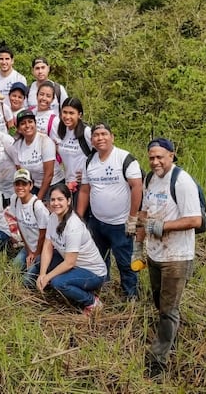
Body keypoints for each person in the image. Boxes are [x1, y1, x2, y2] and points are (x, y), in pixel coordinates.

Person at [137, 138, 203, 378]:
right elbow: (145, 213)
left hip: (177, 255)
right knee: (158, 300)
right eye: (151, 157)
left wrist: (163, 226)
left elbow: (195, 220)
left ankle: (158, 360)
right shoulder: (150, 179)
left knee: (168, 308)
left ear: (171, 156)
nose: (155, 162)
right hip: (155, 252)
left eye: (160, 157)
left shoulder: (182, 181)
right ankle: (170, 334)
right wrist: (138, 241)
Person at [76, 122, 143, 300]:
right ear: (92, 141)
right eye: (96, 135)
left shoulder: (125, 158)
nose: (100, 138)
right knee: (98, 258)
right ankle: (103, 288)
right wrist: (79, 217)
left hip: (121, 223)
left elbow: (137, 187)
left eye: (104, 134)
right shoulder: (89, 161)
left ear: (112, 137)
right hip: (97, 221)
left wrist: (133, 217)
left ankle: (131, 295)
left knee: (125, 261)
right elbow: (85, 190)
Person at [26, 183, 107, 315]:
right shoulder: (53, 217)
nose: (56, 203)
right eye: (53, 200)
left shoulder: (73, 226)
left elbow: (70, 262)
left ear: (69, 201)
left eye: (60, 199)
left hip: (92, 272)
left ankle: (92, 302)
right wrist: (42, 274)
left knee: (58, 282)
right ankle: (44, 287)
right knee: (41, 261)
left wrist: (48, 277)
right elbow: (47, 245)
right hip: (72, 264)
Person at [11, 110, 63, 201]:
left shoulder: (45, 141)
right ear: (19, 129)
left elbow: (49, 174)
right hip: (33, 185)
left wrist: (38, 200)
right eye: (23, 123)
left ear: (35, 124)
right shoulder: (16, 146)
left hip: (53, 184)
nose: (27, 125)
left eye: (30, 122)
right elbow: (21, 173)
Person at [4, 169, 49, 273]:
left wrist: (36, 254)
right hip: (29, 247)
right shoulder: (14, 199)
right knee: (13, 270)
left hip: (42, 249)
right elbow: (20, 226)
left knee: (27, 279)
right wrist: (29, 251)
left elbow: (44, 234)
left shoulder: (37, 206)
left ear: (31, 185)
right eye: (17, 184)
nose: (20, 187)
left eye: (24, 184)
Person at [56, 97, 93, 200]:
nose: (67, 116)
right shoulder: (62, 131)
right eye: (65, 112)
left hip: (84, 185)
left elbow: (101, 154)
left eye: (71, 113)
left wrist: (88, 173)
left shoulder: (86, 132)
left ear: (79, 115)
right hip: (68, 185)